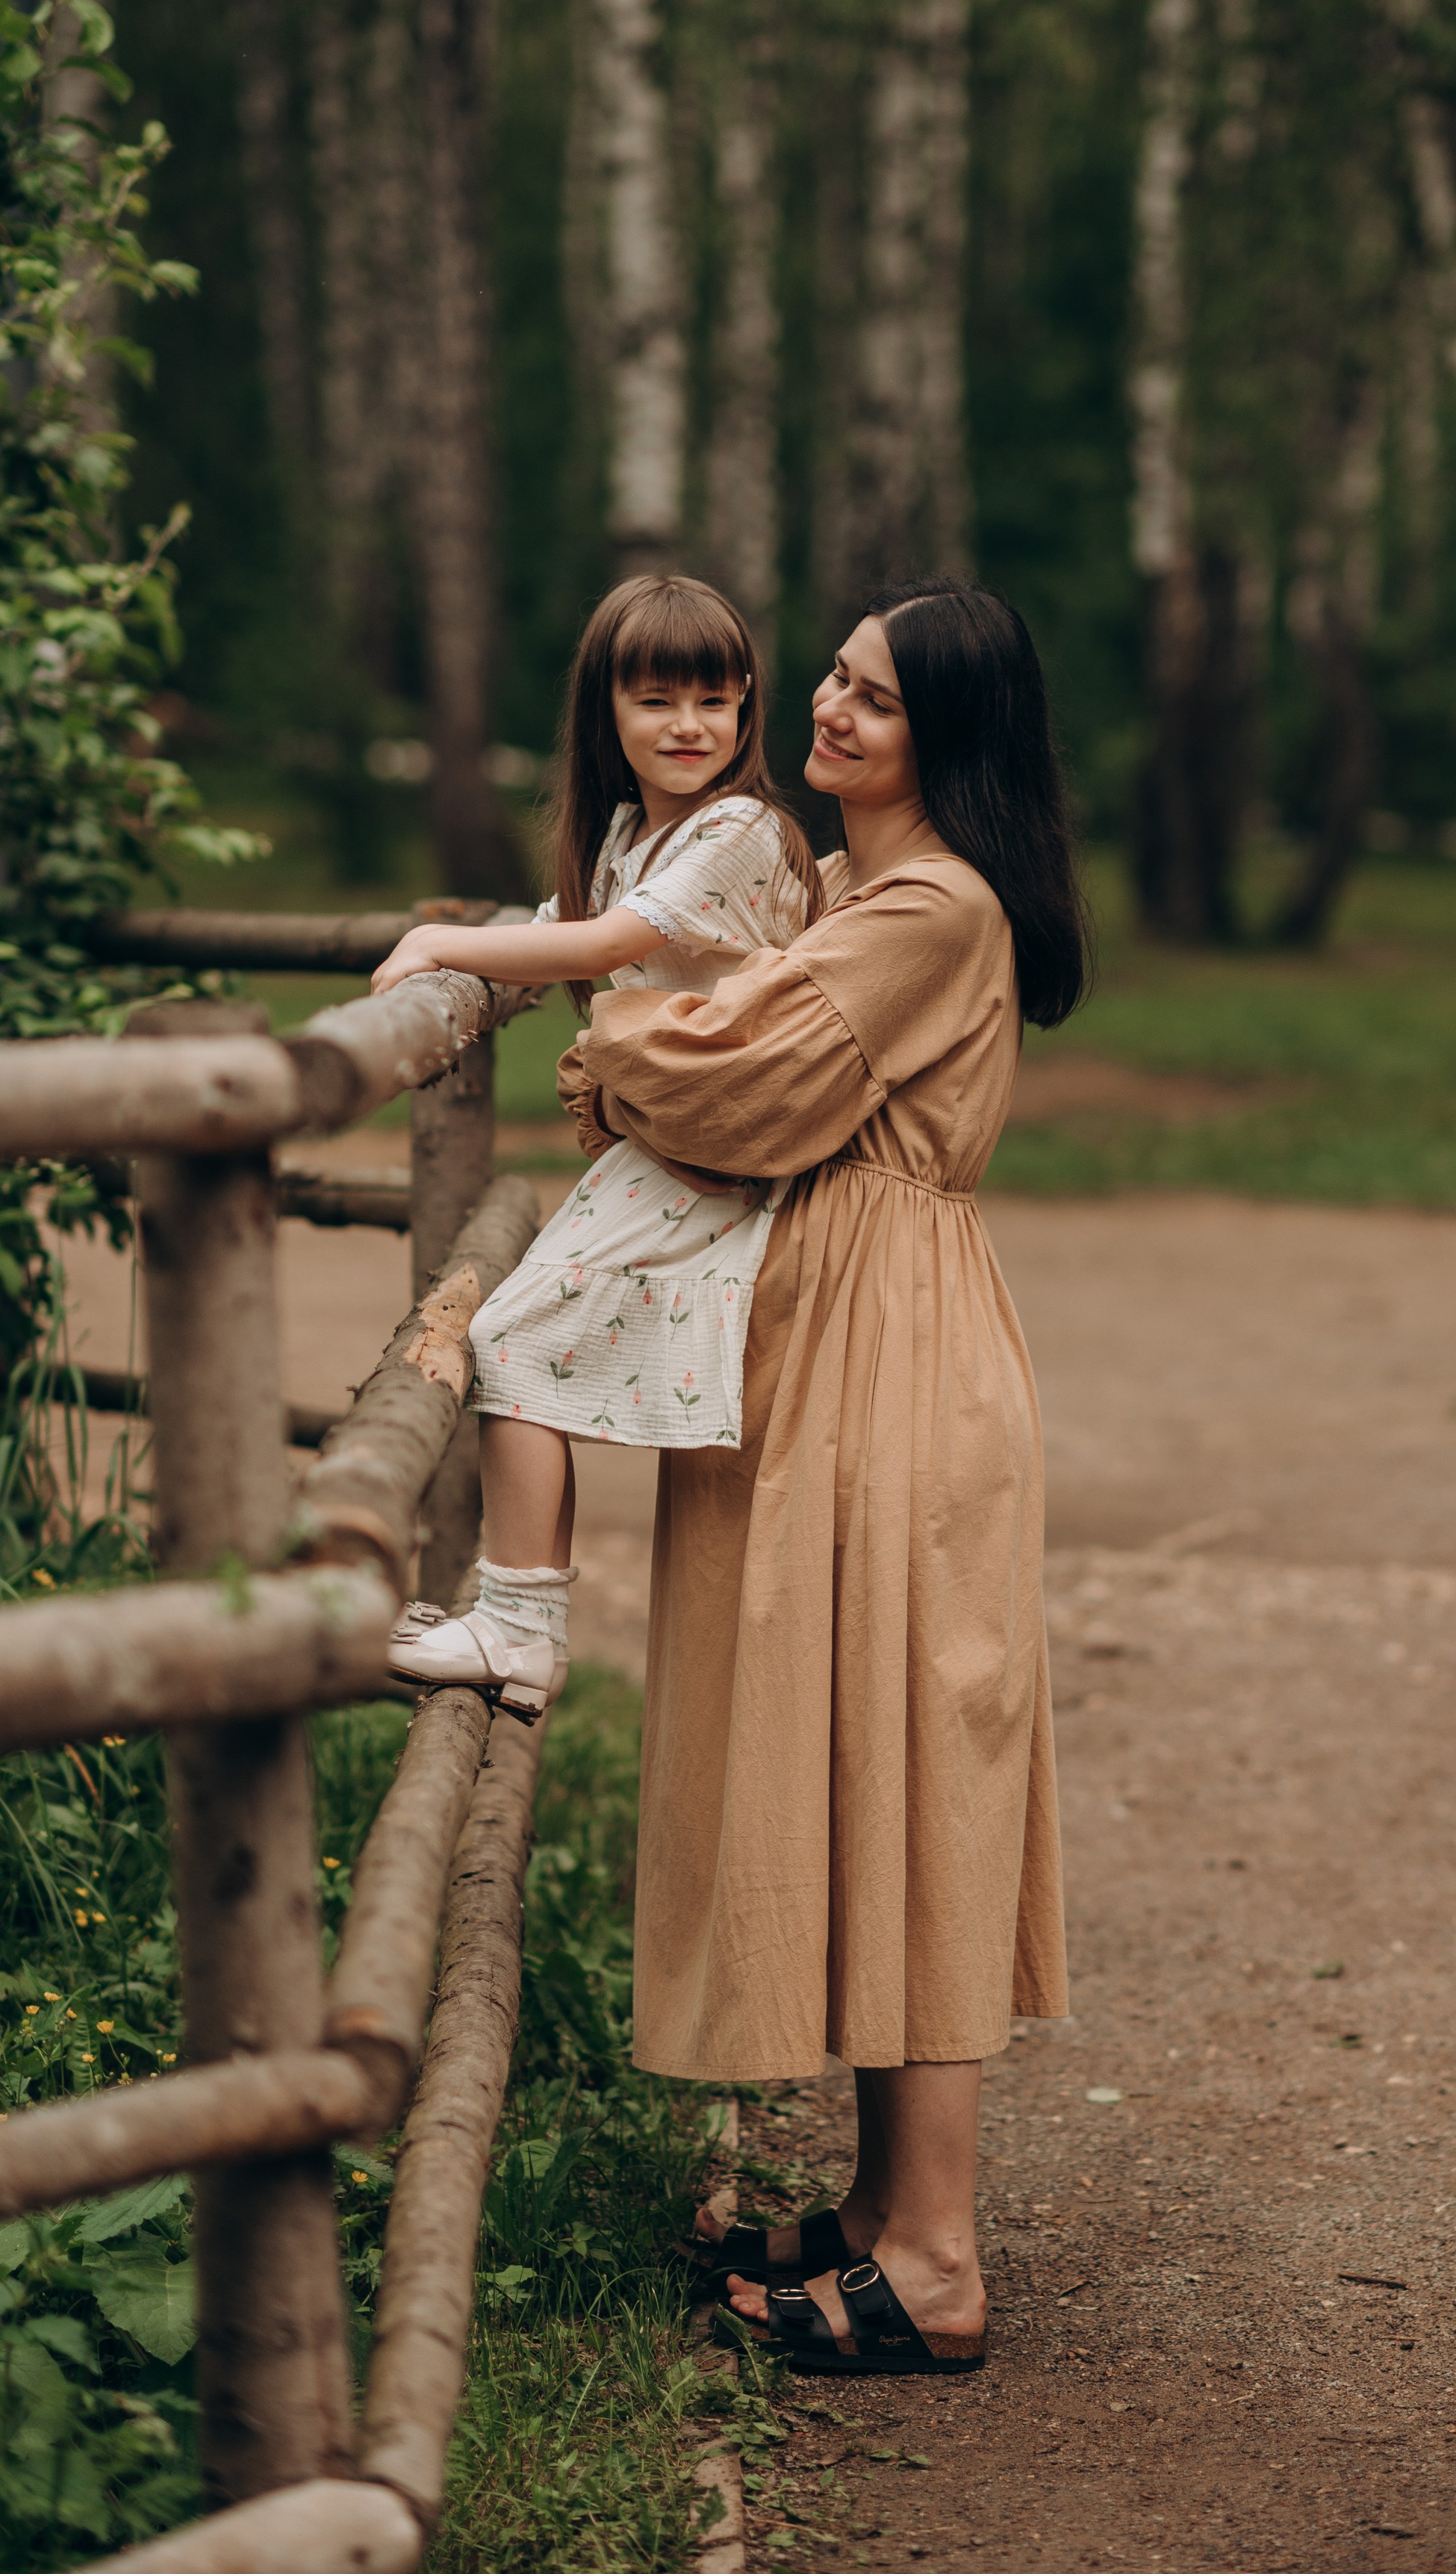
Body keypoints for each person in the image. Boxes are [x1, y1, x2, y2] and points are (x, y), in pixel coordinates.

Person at [559, 576, 1091, 2378]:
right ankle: (877, 2207)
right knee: (861, 1753)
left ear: (948, 734)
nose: (832, 708)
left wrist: (616, 1046)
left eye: (875, 696)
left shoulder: (928, 907)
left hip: (900, 1366)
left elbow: (739, 1071)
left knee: (914, 1761)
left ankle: (934, 2254)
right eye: (838, 679)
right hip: (842, 1352)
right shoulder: (863, 888)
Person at [368, 572, 822, 1719]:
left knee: (512, 1340)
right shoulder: (633, 826)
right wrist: (466, 971)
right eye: (658, 700)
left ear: (748, 710)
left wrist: (432, 935)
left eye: (715, 702)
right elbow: (557, 935)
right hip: (666, 1142)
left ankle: (519, 1629)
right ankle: (520, 1619)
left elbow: (608, 942)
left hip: (725, 1146)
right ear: (605, 712)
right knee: (525, 1343)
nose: (689, 728)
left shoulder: (738, 830)